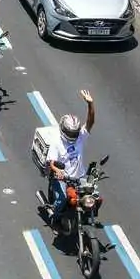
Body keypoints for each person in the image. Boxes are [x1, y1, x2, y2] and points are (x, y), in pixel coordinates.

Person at [45, 90, 96, 228]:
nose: (73, 135)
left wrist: (90, 104)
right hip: (63, 178)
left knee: (94, 197)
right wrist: (58, 171)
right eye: (70, 132)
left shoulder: (80, 137)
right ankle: (54, 217)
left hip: (79, 178)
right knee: (62, 198)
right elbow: (51, 163)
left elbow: (90, 122)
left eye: (74, 133)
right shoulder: (56, 142)